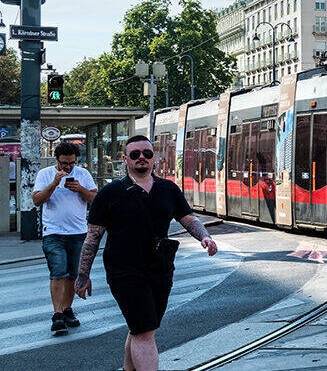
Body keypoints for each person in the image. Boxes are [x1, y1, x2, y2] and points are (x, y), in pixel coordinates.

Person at [76, 135, 218, 371]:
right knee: (144, 330)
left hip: (160, 268)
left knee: (143, 327)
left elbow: (188, 218)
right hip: (124, 269)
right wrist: (83, 275)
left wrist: (205, 237)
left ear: (155, 159)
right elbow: (92, 237)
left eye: (147, 153)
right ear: (125, 160)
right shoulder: (109, 193)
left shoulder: (168, 189)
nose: (141, 157)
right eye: (135, 154)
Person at [33, 142, 98, 333]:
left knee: (72, 274)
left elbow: (95, 199)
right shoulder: (45, 174)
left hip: (77, 232)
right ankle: (57, 314)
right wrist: (54, 183)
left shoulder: (83, 174)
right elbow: (37, 200)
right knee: (58, 271)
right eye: (64, 163)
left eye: (71, 163)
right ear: (57, 160)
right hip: (53, 232)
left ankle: (67, 309)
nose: (67, 167)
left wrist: (80, 190)